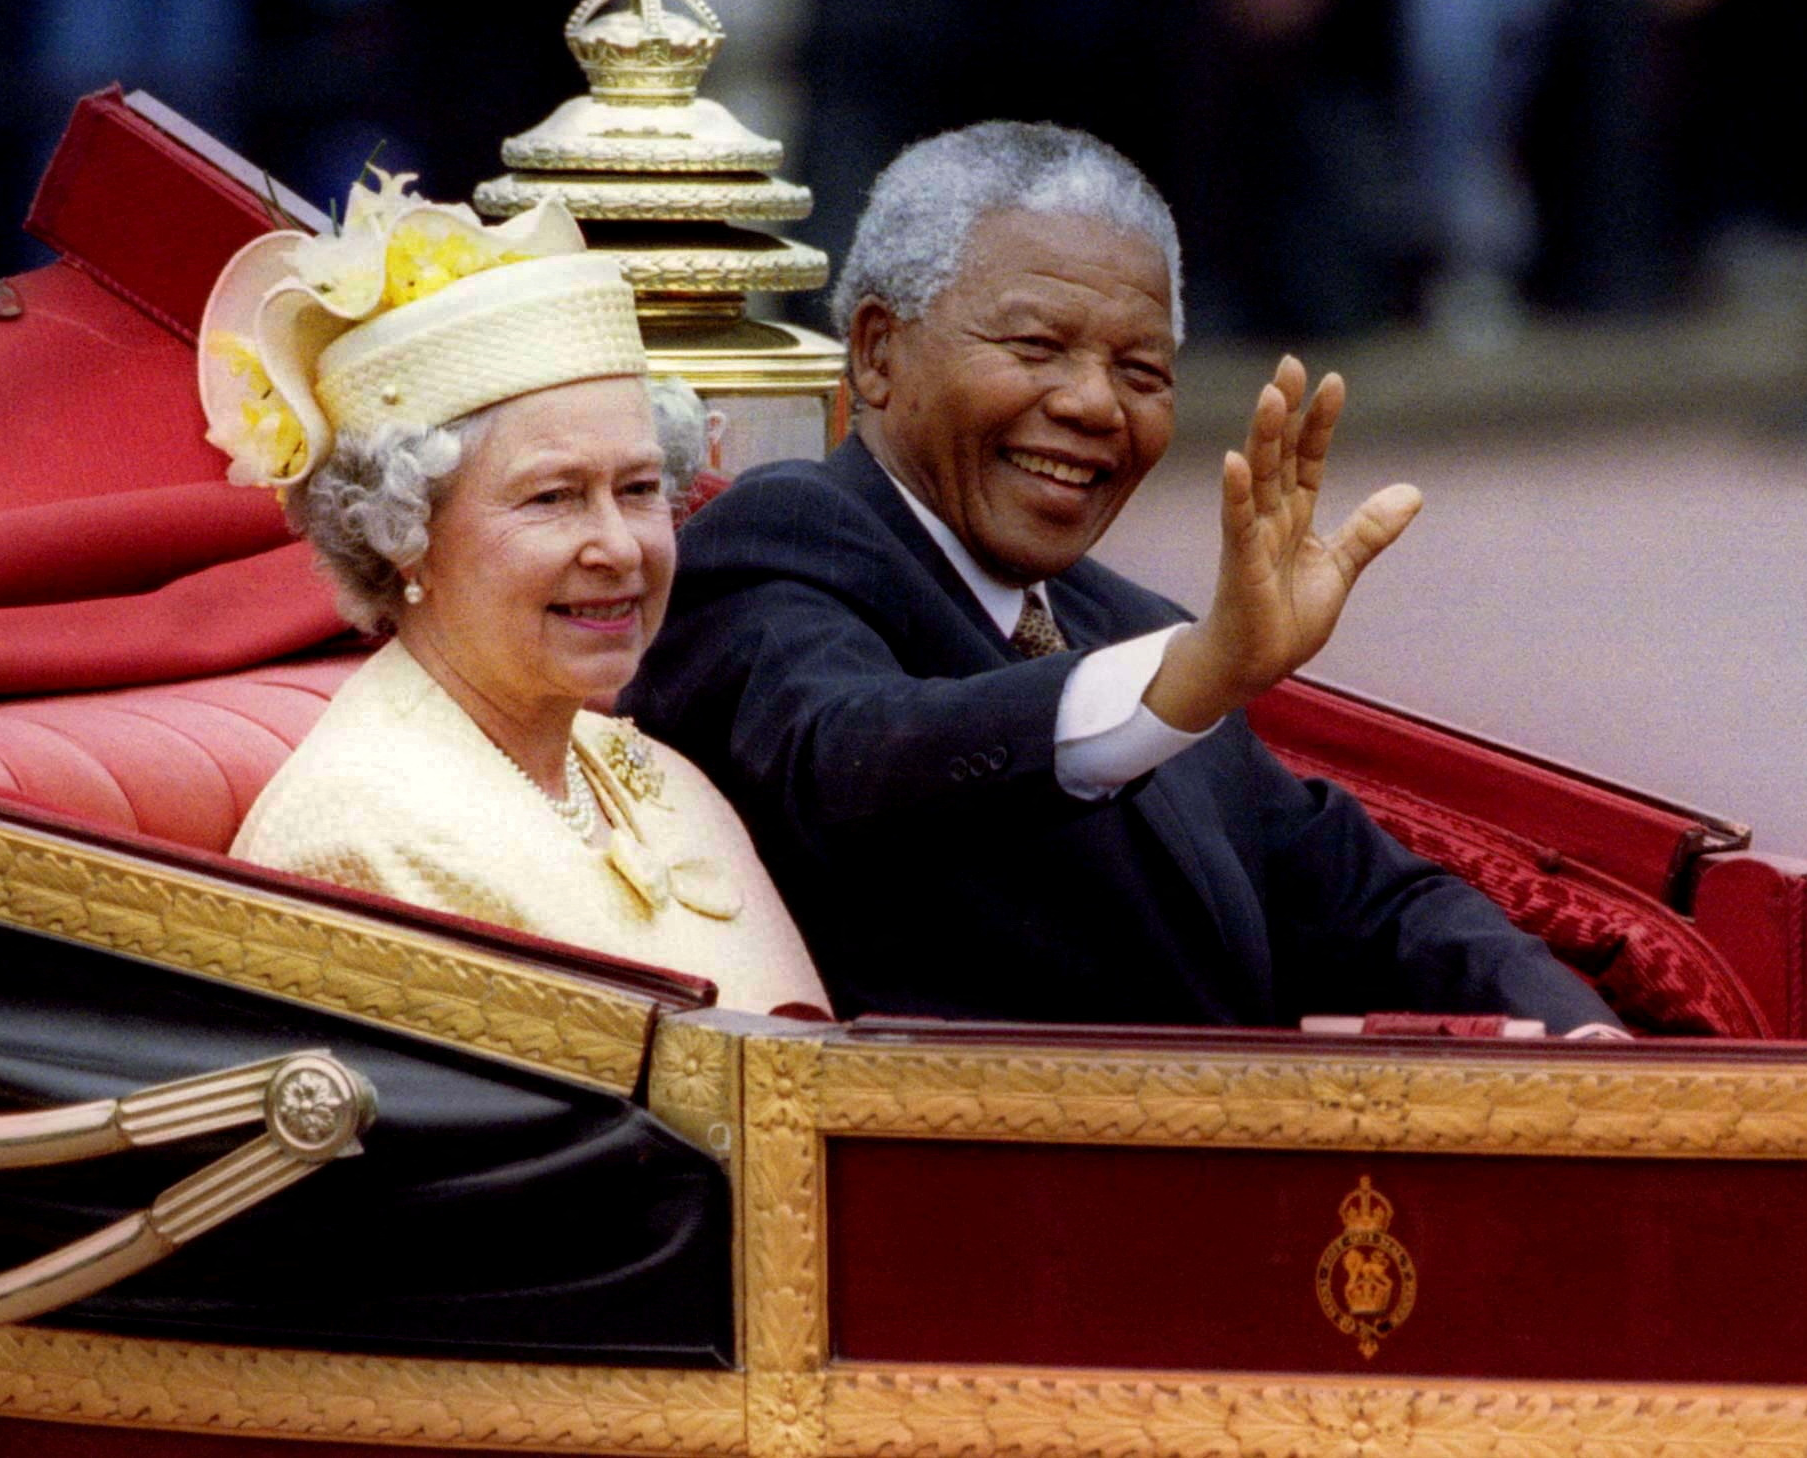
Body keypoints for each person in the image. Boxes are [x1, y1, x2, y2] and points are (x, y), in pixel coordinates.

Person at [621, 121, 1624, 1035]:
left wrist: (1583, 1040)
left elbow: (1369, 900)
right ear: (878, 353)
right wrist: (1189, 677)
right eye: (1035, 347)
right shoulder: (784, 538)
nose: (1096, 405)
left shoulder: (1130, 625)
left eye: (1141, 371)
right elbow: (857, 756)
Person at [201, 170, 827, 1016]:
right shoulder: (355, 839)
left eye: (640, 489)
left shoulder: (648, 770)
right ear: (405, 536)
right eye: (553, 498)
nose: (617, 546)